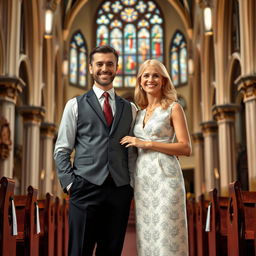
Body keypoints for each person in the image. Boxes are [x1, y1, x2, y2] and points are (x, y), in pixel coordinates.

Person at [54, 45, 136, 256]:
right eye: (99, 64)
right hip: (84, 188)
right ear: (90, 68)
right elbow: (62, 149)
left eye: (110, 64)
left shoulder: (130, 109)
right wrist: (71, 184)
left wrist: (132, 185)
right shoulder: (74, 105)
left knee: (111, 251)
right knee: (79, 250)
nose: (104, 68)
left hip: (119, 189)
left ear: (117, 68)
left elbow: (133, 151)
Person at [120, 59, 191, 255]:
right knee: (147, 235)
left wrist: (147, 143)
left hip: (166, 176)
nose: (150, 79)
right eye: (146, 75)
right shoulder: (139, 113)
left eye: (156, 75)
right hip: (143, 179)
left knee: (167, 234)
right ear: (140, 81)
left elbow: (186, 148)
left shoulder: (173, 107)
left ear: (164, 80)